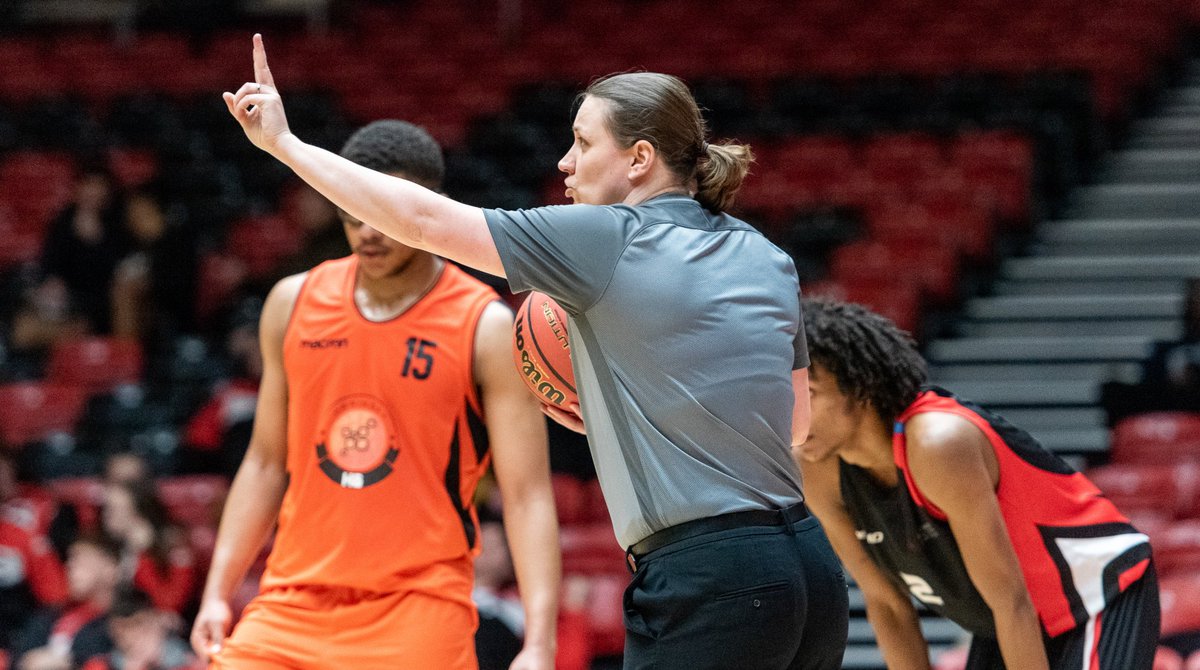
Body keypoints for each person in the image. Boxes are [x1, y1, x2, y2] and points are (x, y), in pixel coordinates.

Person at [222, 34, 848, 668]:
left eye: (582, 142)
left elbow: (423, 222)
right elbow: (794, 425)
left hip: (711, 579)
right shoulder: (766, 254)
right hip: (809, 569)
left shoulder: (606, 238)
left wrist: (285, 145)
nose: (564, 163)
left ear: (638, 159)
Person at [189, 117, 561, 669]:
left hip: (418, 610)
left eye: (383, 210)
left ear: (426, 206)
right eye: (351, 208)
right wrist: (218, 590)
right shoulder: (291, 303)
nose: (368, 229)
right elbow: (266, 464)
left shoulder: (483, 326)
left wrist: (539, 640)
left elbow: (527, 495)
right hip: (294, 603)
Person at [795, 297, 1160, 670]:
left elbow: (1011, 600)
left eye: (808, 394)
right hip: (1008, 616)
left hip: (1094, 591)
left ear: (860, 385)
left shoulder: (937, 443)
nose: (792, 412)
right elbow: (887, 603)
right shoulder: (815, 467)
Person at [13, 533, 125, 670]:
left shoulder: (123, 622)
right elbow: (18, 658)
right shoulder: (48, 617)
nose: (70, 566)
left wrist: (68, 663)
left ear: (111, 568)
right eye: (70, 559)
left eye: (80, 559)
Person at [100, 482, 197, 615]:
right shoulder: (114, 545)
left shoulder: (173, 545)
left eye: (114, 509)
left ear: (139, 514)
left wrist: (143, 554)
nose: (106, 516)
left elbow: (169, 604)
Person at [80, 586, 196, 670]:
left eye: (139, 625)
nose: (131, 637)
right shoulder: (99, 665)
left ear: (158, 622)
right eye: (122, 630)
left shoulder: (194, 662)